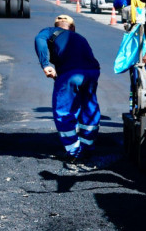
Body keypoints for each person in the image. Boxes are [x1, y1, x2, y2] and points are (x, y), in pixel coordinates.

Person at [34, 15, 101, 170]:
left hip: (71, 74)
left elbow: (39, 39)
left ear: (56, 26)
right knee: (89, 109)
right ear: (73, 28)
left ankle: (74, 151)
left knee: (63, 112)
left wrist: (45, 64)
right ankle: (87, 147)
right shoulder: (80, 37)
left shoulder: (50, 32)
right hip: (92, 72)